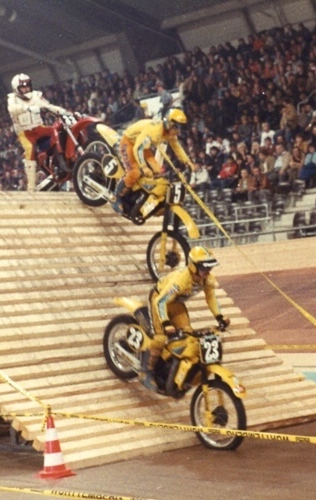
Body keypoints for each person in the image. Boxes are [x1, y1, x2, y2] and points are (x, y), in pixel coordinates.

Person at [143, 246, 230, 391]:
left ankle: (173, 368)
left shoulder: (207, 279)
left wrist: (219, 318)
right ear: (193, 266)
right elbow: (161, 301)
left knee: (188, 334)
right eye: (203, 269)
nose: (207, 273)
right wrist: (165, 323)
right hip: (159, 299)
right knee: (160, 338)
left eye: (210, 268)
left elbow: (211, 298)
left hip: (175, 303)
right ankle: (147, 371)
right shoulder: (182, 279)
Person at [113, 107, 194, 217]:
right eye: (176, 127)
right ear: (168, 123)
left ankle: (141, 197)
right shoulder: (155, 131)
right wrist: (144, 166)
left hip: (143, 146)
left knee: (158, 171)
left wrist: (187, 161)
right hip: (130, 142)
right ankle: (116, 197)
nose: (177, 131)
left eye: (179, 128)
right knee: (135, 172)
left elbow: (177, 147)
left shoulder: (169, 133)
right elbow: (138, 148)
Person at [6, 73, 69, 190]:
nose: (26, 89)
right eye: (23, 87)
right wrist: (26, 108)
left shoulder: (36, 96)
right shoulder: (12, 99)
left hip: (39, 128)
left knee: (56, 130)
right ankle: (31, 185)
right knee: (30, 149)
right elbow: (12, 109)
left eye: (27, 86)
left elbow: (48, 106)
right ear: (16, 89)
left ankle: (61, 158)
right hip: (25, 133)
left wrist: (63, 111)